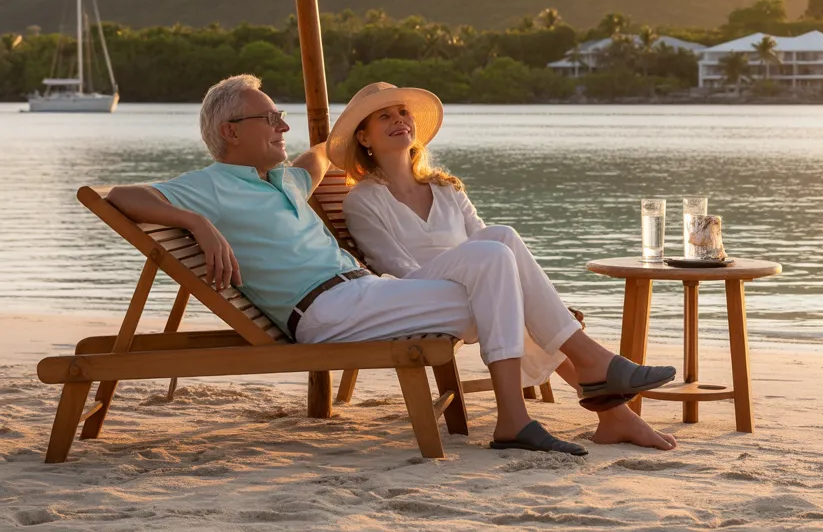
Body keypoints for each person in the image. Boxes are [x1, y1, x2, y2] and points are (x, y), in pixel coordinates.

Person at [105, 74, 673, 456]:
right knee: (496, 260)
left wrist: (347, 127)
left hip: (363, 294)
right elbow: (117, 193)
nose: (283, 126)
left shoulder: (284, 180)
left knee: (499, 260)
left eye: (281, 116)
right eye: (270, 118)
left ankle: (532, 411)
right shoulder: (208, 188)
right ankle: (571, 386)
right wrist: (197, 224)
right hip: (325, 311)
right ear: (231, 132)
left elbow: (322, 151)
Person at [327, 82, 679, 451]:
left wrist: (485, 277)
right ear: (364, 137)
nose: (399, 120)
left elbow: (488, 244)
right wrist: (477, 277)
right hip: (419, 297)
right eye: (385, 116)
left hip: (483, 284)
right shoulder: (363, 200)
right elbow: (398, 271)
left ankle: (613, 414)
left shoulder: (446, 188)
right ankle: (598, 371)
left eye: (403, 112)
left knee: (502, 248)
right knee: (501, 249)